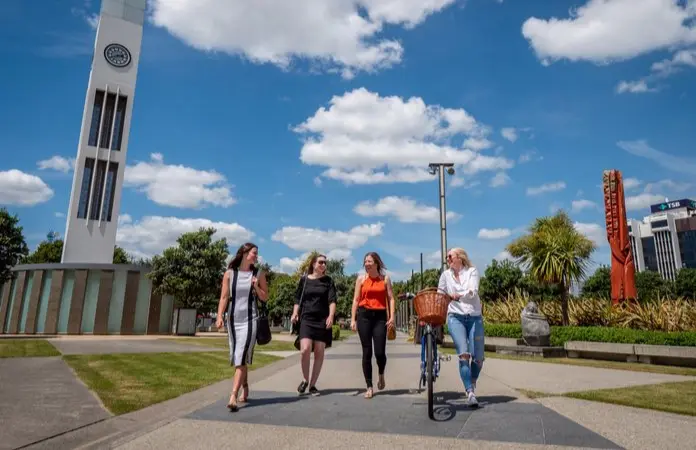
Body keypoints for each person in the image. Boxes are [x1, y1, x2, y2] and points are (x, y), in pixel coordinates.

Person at [215, 242, 268, 412]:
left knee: (241, 354)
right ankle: (245, 386)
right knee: (238, 356)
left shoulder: (258, 274)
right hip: (233, 320)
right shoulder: (229, 274)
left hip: (250, 320)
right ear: (245, 253)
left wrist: (256, 286)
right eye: (254, 253)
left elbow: (265, 297)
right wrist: (219, 316)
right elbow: (224, 298)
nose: (256, 256)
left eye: (257, 253)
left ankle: (232, 396)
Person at [437, 247, 484, 407]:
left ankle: (472, 380)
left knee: (478, 358)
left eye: (450, 256)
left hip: (474, 317)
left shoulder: (472, 271)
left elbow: (473, 291)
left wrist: (460, 295)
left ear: (460, 258)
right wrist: (441, 301)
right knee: (464, 354)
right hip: (455, 317)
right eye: (446, 257)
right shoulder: (445, 275)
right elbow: (440, 294)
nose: (447, 259)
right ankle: (470, 391)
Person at [350, 252, 395, 399]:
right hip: (364, 316)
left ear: (376, 263)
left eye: (369, 261)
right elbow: (356, 300)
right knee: (367, 352)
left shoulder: (385, 279)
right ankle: (369, 386)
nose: (367, 264)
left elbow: (391, 298)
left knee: (380, 353)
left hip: (380, 317)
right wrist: (353, 319)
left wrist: (392, 317)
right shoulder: (361, 280)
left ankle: (381, 374)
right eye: (365, 262)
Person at [291, 253, 336, 395]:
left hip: (322, 319)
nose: (323, 265)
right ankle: (305, 379)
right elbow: (298, 298)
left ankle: (312, 384)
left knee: (319, 351)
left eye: (325, 263)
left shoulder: (328, 281)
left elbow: (332, 300)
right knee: (305, 349)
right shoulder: (304, 280)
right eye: (321, 262)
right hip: (307, 318)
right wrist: (295, 313)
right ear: (313, 264)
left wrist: (331, 316)